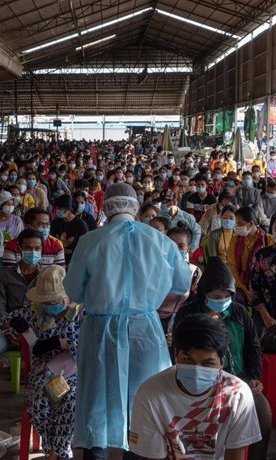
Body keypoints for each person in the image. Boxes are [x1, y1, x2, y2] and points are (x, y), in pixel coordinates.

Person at [63, 182, 192, 456]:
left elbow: (73, 289)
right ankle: (138, 452)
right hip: (144, 328)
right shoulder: (160, 240)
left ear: (105, 207)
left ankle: (97, 452)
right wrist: (150, 292)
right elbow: (182, 284)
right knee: (144, 397)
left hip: (100, 327)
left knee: (97, 397)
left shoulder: (90, 241)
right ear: (135, 206)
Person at [173, 259, 271, 460]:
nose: (222, 300)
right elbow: (177, 351)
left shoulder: (239, 313)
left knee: (262, 411)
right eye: (217, 296)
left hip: (237, 378)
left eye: (227, 296)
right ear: (204, 293)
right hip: (197, 377)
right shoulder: (188, 314)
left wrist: (253, 377)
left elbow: (253, 348)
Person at [129, 313, 262, 460]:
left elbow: (235, 456)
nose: (196, 369)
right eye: (187, 359)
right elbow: (155, 457)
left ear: (222, 362)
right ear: (175, 355)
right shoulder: (150, 394)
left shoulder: (237, 394)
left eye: (207, 363)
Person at [2, 266, 81, 460]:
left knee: (69, 401)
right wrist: (16, 328)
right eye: (46, 301)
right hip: (44, 371)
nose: (50, 305)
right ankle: (51, 448)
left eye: (54, 301)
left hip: (74, 371)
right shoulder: (35, 311)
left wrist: (60, 343)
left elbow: (89, 347)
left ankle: (58, 452)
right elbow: (3, 321)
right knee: (39, 404)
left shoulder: (79, 314)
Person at [0, 229, 43, 378]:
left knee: (45, 354)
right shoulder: (5, 275)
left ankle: (37, 393)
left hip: (38, 329)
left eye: (37, 248)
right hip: (8, 327)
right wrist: (10, 333)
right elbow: (0, 308)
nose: (33, 252)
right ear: (20, 249)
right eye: (28, 248)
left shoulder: (46, 276)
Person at [226, 207, 274, 305]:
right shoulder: (235, 240)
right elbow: (232, 266)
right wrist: (244, 288)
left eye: (239, 224)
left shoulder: (268, 240)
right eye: (236, 224)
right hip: (241, 282)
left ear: (251, 224)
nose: (237, 227)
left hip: (263, 284)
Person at [51, 194, 89, 265]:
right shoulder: (55, 223)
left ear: (68, 209)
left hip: (75, 262)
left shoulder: (81, 225)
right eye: (57, 208)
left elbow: (85, 246)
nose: (57, 210)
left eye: (60, 208)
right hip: (57, 261)